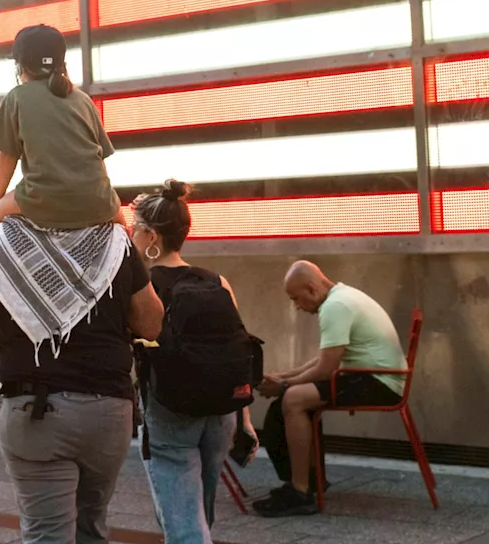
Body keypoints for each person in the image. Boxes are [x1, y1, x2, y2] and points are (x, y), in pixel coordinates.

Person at [0, 213, 164, 544]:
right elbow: (151, 324)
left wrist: (16, 303)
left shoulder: (2, 243)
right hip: (108, 413)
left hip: (37, 412)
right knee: (91, 526)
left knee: (47, 535)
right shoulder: (115, 242)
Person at [129, 180, 259, 544]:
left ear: (151, 236)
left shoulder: (144, 287)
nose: (131, 237)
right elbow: (239, 349)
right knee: (198, 514)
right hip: (222, 413)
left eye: (135, 230)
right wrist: (244, 418)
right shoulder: (217, 282)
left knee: (184, 524)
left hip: (171, 410)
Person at [253, 261, 406, 517]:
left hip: (379, 382)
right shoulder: (342, 296)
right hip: (372, 376)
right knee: (296, 395)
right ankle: (310, 482)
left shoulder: (335, 306)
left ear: (311, 289)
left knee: (294, 399)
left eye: (296, 298)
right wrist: (285, 376)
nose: (297, 306)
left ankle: (301, 492)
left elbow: (325, 370)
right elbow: (327, 359)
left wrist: (284, 386)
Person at [0, 24, 123, 230]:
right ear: (62, 62)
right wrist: (106, 201)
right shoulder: (83, 99)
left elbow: (8, 155)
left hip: (41, 199)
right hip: (97, 200)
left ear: (21, 65)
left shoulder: (16, 97)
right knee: (125, 238)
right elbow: (98, 157)